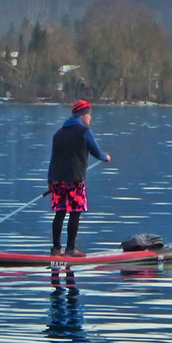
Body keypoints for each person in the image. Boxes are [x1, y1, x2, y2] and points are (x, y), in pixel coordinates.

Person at [48, 99, 109, 256]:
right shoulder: (85, 132)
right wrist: (105, 157)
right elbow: (96, 152)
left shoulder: (59, 133)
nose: (90, 117)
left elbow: (53, 159)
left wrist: (50, 180)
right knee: (75, 212)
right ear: (82, 115)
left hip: (57, 179)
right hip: (75, 179)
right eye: (89, 114)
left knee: (60, 212)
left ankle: (55, 249)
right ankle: (70, 249)